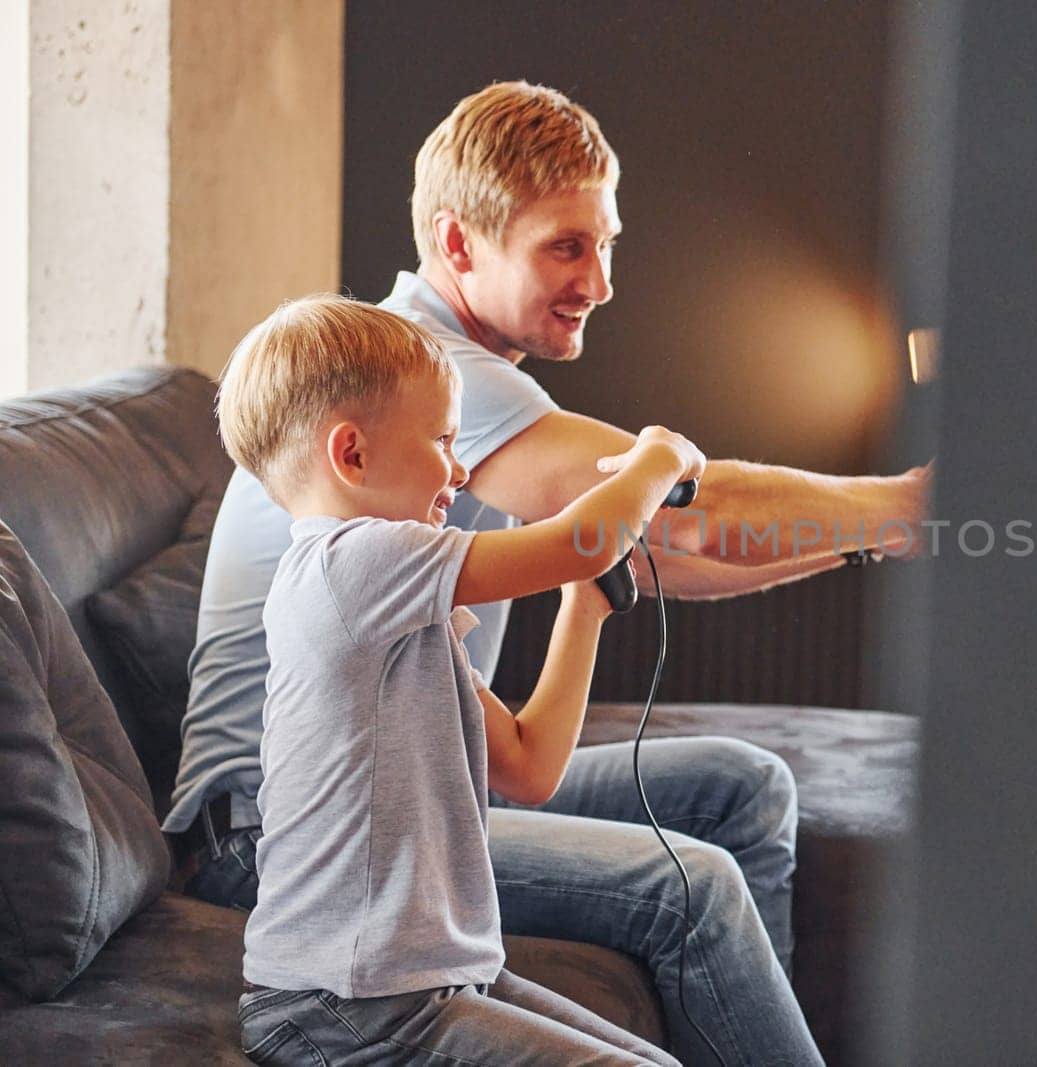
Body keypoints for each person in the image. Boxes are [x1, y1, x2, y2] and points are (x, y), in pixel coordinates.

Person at [168, 81, 923, 1062]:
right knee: (685, 882)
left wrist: (879, 532)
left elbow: (649, 556)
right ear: (458, 245)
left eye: (606, 242)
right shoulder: (410, 381)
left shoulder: (426, 408)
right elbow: (673, 524)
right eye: (567, 246)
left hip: (430, 773)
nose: (602, 280)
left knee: (742, 785)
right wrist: (905, 501)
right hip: (273, 836)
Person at [220, 295, 713, 1064]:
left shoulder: (397, 611)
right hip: (343, 1007)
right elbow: (586, 538)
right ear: (351, 454)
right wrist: (660, 456)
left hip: (421, 987)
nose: (459, 470)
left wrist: (581, 612)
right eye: (443, 441)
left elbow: (528, 764)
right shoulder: (347, 563)